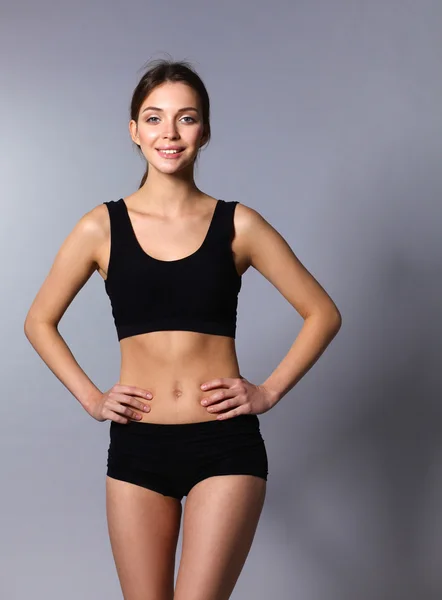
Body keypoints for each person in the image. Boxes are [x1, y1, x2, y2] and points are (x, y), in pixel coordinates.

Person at [24, 58, 342, 600]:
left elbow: (323, 312)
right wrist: (92, 398)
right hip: (136, 448)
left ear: (205, 130)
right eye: (154, 118)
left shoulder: (238, 224)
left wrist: (267, 391)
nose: (169, 133)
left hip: (225, 447)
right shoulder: (101, 227)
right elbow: (39, 321)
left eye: (186, 118)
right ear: (134, 131)